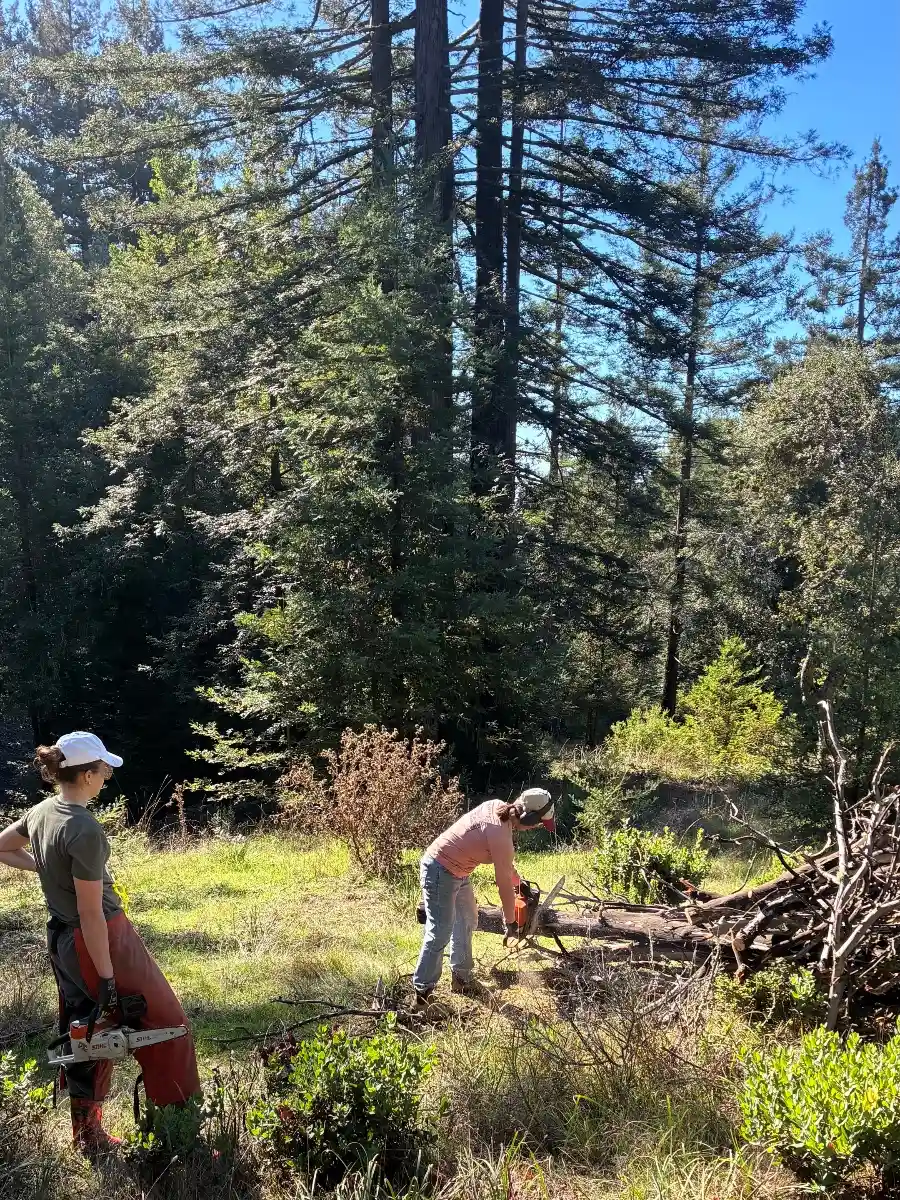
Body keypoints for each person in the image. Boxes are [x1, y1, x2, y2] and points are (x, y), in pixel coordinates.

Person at [0, 732, 201, 1158]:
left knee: (88, 1031)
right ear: (87, 774)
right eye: (104, 770)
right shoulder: (84, 828)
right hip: (100, 938)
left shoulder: (42, 812)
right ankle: (182, 1140)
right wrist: (108, 976)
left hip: (61, 940)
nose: (107, 776)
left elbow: (2, 846)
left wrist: (47, 868)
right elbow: (92, 914)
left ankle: (87, 1136)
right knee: (170, 1029)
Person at [412, 787, 555, 1003]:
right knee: (441, 929)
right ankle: (422, 993)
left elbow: (506, 868)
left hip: (459, 872)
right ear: (528, 817)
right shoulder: (499, 830)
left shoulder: (499, 812)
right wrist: (511, 923)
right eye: (537, 823)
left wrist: (521, 883)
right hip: (439, 869)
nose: (535, 827)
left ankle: (462, 978)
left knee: (468, 918)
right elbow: (503, 883)